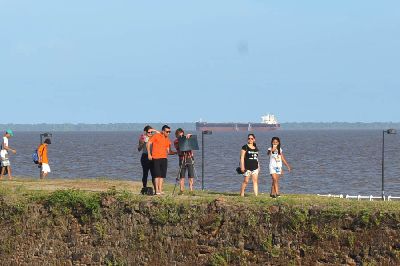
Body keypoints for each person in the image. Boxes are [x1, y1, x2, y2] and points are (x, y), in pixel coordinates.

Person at [147, 125, 175, 195]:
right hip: (156, 158)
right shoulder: (156, 136)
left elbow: (169, 151)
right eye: (167, 131)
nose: (168, 133)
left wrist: (177, 152)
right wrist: (149, 154)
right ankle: (156, 190)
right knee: (157, 175)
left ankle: (160, 189)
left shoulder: (167, 140)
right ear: (163, 131)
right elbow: (149, 143)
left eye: (169, 132)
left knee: (162, 176)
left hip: (164, 158)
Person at [174, 128, 195, 194]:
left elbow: (193, 142)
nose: (181, 136)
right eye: (179, 135)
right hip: (182, 158)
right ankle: (181, 190)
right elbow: (179, 149)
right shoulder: (176, 141)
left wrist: (190, 136)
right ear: (177, 135)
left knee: (191, 174)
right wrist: (183, 141)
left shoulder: (187, 139)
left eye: (182, 135)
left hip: (189, 157)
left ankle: (191, 190)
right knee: (182, 174)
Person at [138, 125, 157, 192]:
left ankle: (156, 190)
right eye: (149, 132)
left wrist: (154, 130)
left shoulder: (154, 137)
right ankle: (144, 188)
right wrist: (142, 144)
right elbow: (139, 149)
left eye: (151, 132)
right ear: (145, 132)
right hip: (145, 157)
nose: (150, 134)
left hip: (153, 156)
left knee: (154, 174)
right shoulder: (143, 137)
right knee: (145, 173)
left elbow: (160, 134)